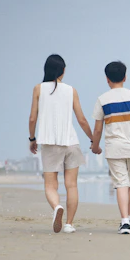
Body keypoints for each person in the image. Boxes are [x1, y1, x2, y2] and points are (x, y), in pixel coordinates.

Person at [29, 54, 96, 233]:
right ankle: (69, 224)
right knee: (71, 185)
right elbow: (81, 119)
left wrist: (32, 138)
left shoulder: (38, 89)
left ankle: (57, 207)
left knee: (51, 185)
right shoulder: (71, 90)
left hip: (50, 144)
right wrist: (93, 139)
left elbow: (32, 118)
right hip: (71, 142)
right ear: (63, 70)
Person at [91, 61, 130, 234]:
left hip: (114, 147)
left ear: (107, 79)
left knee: (121, 184)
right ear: (125, 77)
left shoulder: (102, 99)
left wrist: (95, 146)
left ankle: (124, 221)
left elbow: (97, 128)